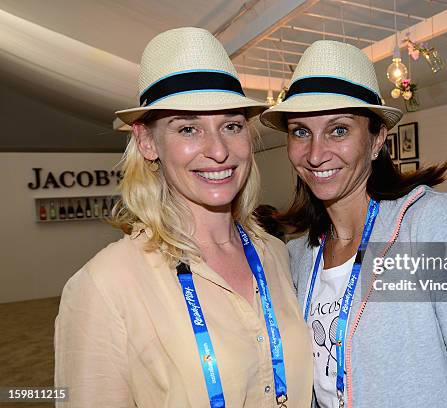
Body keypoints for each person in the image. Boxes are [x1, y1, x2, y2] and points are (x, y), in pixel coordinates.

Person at [54, 27, 312, 408]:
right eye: (188, 128)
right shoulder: (105, 286)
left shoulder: (275, 254)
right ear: (146, 141)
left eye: (231, 125)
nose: (218, 150)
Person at [260, 40, 447, 408]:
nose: (316, 154)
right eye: (301, 132)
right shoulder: (300, 253)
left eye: (338, 130)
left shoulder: (428, 223)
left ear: (376, 140)